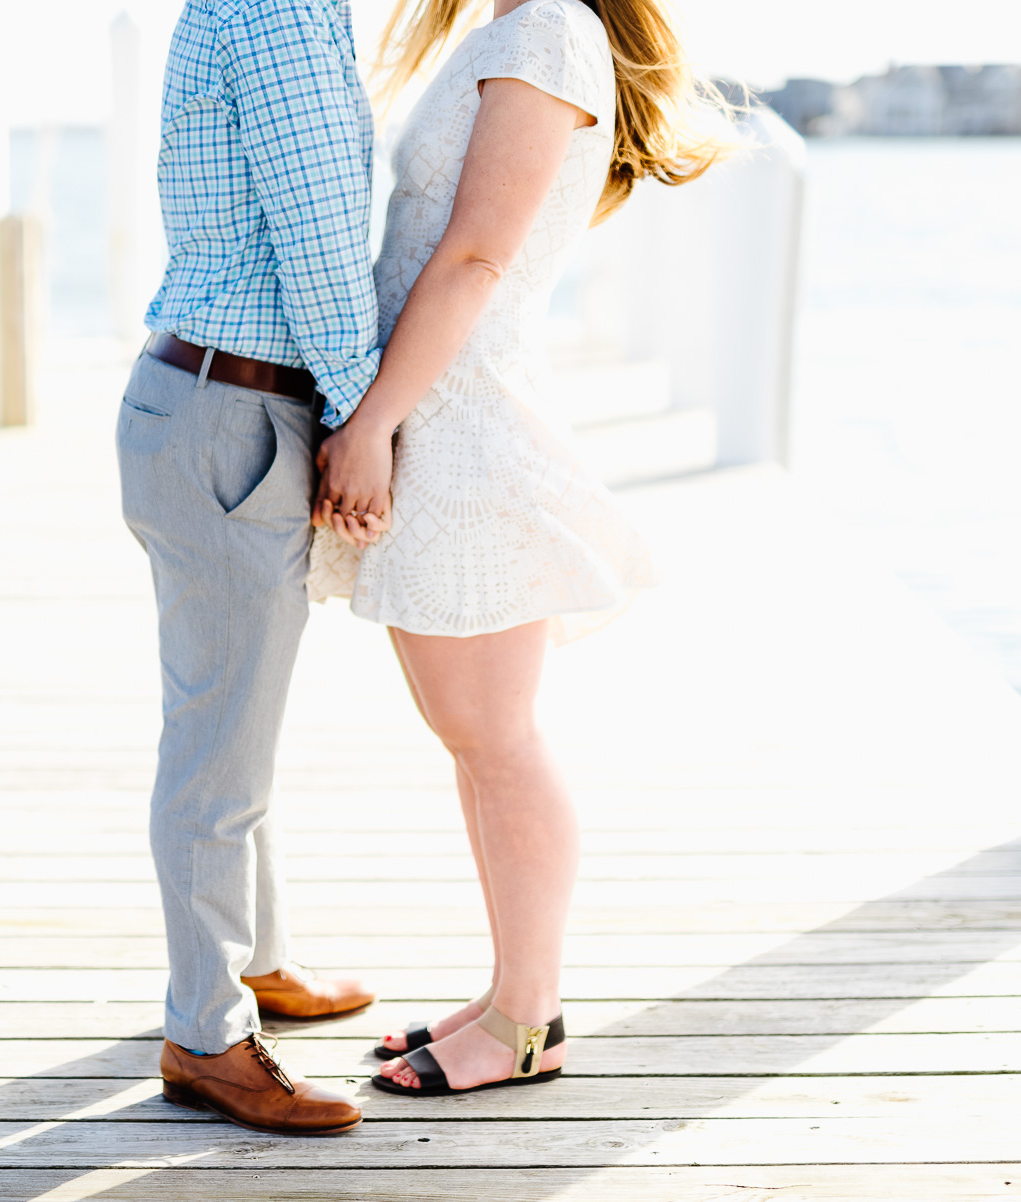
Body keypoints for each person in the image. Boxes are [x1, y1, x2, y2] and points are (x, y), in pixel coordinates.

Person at [309, 0, 730, 1096]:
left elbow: (479, 255)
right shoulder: (516, 28)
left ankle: (528, 1019)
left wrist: (368, 425)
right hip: (440, 413)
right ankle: (507, 997)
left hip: (460, 425)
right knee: (478, 740)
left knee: (497, 738)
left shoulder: (544, 29)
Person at [115, 0, 386, 1136]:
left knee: (232, 715)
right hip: (239, 410)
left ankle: (251, 963)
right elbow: (322, 240)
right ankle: (208, 1036)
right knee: (219, 742)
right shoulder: (279, 7)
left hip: (208, 396)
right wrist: (369, 411)